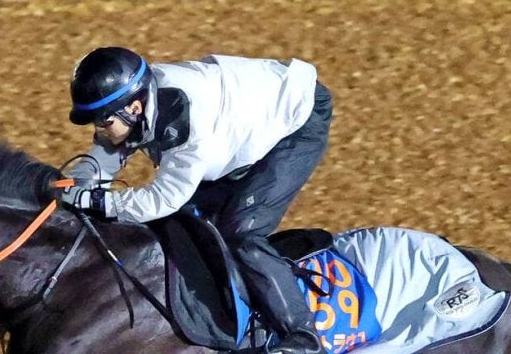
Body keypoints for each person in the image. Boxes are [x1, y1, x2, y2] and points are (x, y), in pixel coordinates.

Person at [55, 47, 331, 354]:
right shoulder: (136, 102)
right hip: (239, 128)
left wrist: (101, 203)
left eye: (104, 122)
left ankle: (303, 337)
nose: (100, 131)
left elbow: (165, 197)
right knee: (189, 222)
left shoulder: (184, 119)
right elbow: (102, 160)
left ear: (134, 107)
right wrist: (71, 188)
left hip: (298, 120)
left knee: (242, 232)